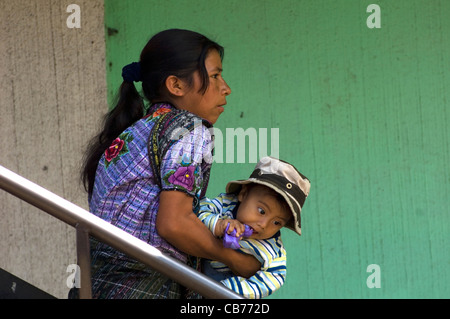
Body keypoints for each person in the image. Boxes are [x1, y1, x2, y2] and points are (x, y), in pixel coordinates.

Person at [76, 29, 261, 299]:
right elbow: (173, 223)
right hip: (145, 287)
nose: (226, 88)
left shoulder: (135, 131)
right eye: (214, 76)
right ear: (176, 85)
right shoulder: (188, 128)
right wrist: (235, 259)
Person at [197, 156, 311, 298]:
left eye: (277, 223)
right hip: (191, 267)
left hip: (226, 288)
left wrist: (226, 290)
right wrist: (218, 224)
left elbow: (275, 278)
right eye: (261, 211)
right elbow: (197, 211)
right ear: (243, 194)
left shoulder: (272, 249)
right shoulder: (226, 204)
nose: (263, 225)